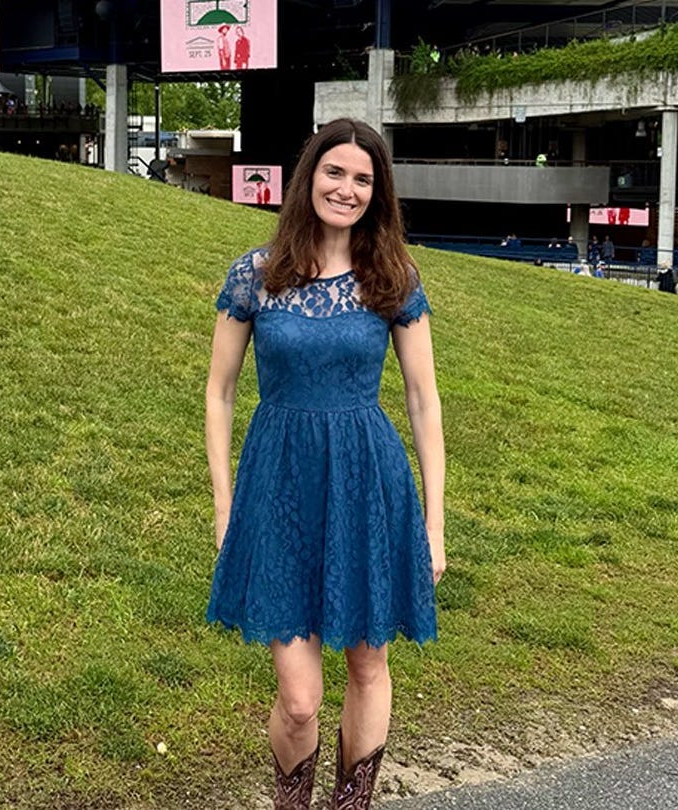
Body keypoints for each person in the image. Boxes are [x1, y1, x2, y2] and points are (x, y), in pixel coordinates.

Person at [205, 118, 445, 810]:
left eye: (363, 179)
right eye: (335, 172)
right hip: (278, 485)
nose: (347, 188)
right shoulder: (256, 274)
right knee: (301, 699)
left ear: (379, 193)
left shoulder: (393, 277)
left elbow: (424, 402)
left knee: (369, 665)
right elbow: (219, 393)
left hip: (367, 483)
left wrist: (433, 524)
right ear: (308, 176)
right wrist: (226, 506)